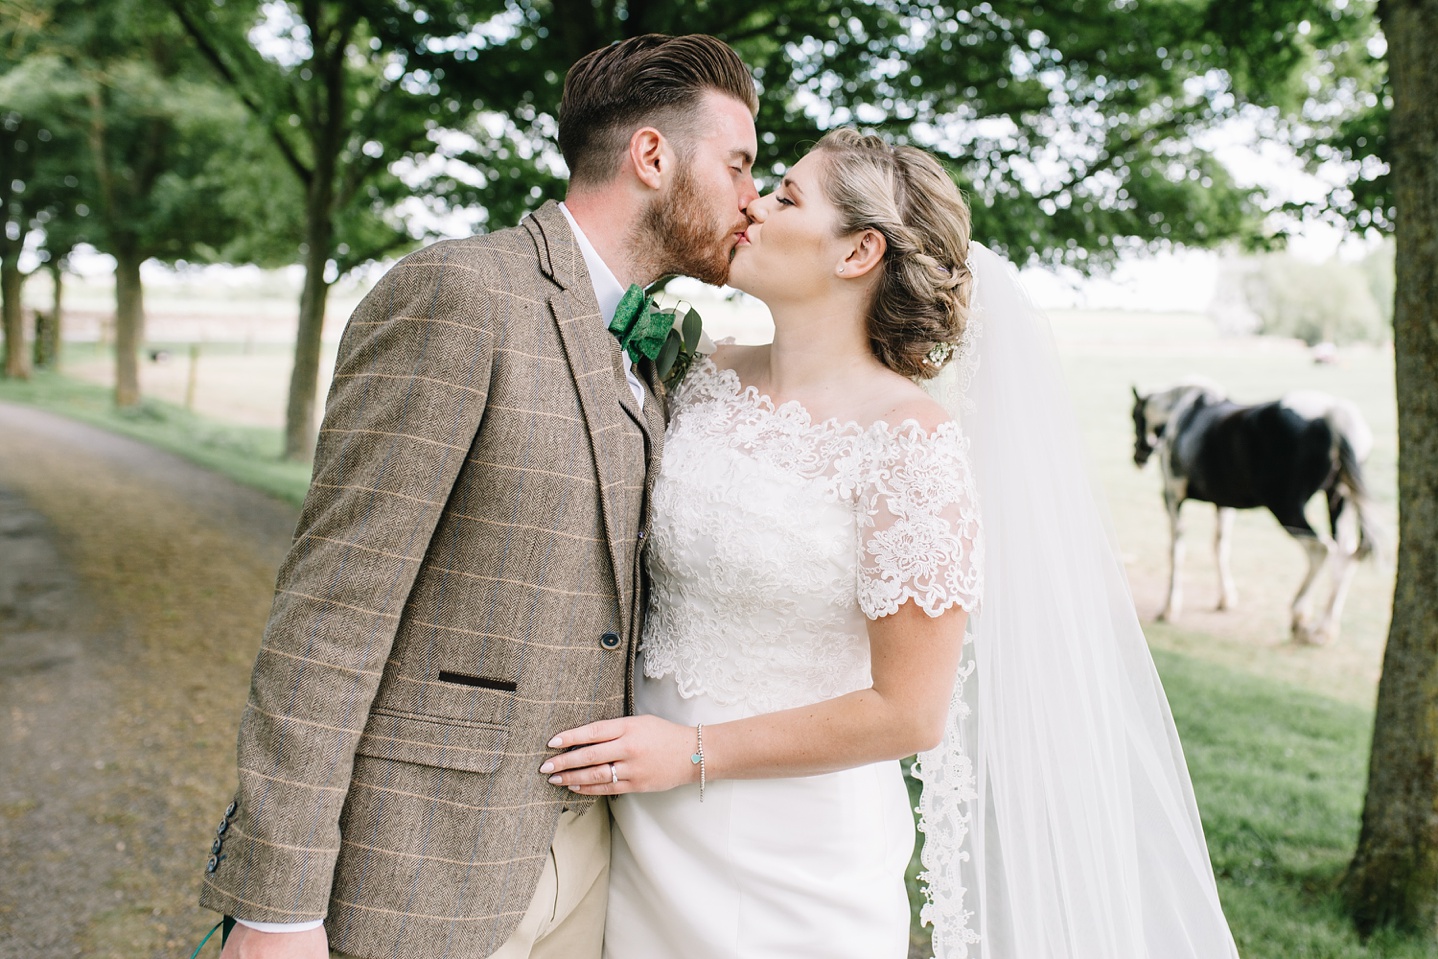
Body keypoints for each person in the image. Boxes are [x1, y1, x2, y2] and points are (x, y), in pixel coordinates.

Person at [540, 130, 1242, 958]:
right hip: (634, 820)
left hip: (788, 857)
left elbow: (909, 710)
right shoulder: (698, 377)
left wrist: (691, 752)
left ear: (859, 251)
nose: (751, 203)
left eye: (788, 197)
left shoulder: (910, 448)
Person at [197, 34, 759, 959]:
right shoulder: (460, 293)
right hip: (420, 860)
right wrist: (277, 904)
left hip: (592, 860)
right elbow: (331, 611)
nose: (752, 196)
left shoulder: (654, 350)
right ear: (652, 156)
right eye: (738, 163)